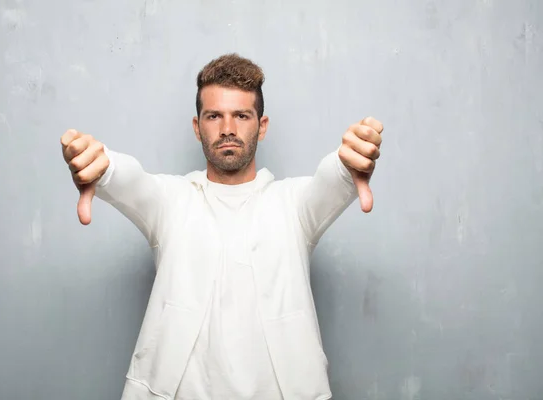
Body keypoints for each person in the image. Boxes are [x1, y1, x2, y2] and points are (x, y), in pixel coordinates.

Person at [60, 53, 383, 400]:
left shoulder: (293, 204)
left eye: (241, 115)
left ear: (262, 125)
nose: (227, 128)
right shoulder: (170, 201)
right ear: (198, 127)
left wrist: (346, 164)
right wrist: (101, 166)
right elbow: (130, 180)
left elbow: (328, 182)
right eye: (214, 116)